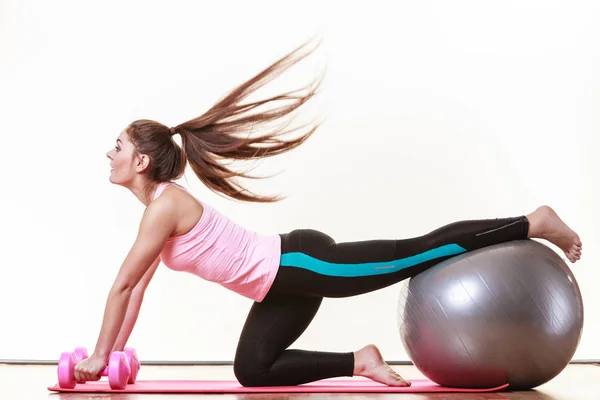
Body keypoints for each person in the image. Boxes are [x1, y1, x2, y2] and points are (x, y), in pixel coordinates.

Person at [73, 41, 583, 388]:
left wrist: (99, 357)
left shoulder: (165, 206)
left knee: (417, 252)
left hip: (303, 263)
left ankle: (532, 221)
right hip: (278, 287)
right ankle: (361, 361)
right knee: (253, 368)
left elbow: (121, 286)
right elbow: (136, 289)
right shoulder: (159, 208)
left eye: (116, 146)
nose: (109, 153)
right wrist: (114, 356)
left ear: (140, 161)